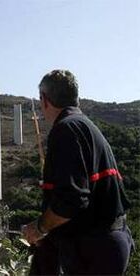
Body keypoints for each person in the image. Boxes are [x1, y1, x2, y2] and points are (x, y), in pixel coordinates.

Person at [22, 70, 134, 275]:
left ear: (45, 100)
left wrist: (39, 228)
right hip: (108, 244)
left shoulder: (66, 130)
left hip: (96, 251)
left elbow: (71, 200)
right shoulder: (85, 126)